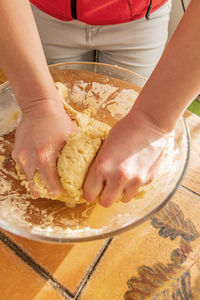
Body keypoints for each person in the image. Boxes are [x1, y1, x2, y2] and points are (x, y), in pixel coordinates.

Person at [0, 0, 199, 207]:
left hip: (142, 18)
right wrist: (38, 103)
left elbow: (147, 124)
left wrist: (152, 122)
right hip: (39, 13)